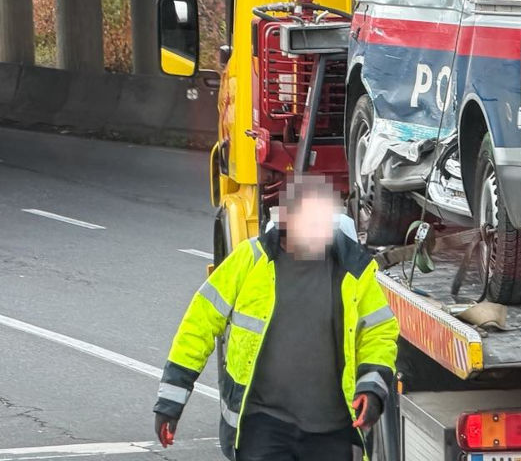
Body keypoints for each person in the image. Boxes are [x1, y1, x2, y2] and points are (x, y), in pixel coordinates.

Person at [152, 175, 400, 460]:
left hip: (332, 432)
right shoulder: (250, 261)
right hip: (264, 426)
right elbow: (199, 325)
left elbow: (379, 333)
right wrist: (170, 402)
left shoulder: (353, 270)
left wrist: (372, 387)